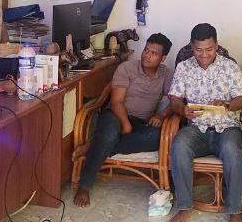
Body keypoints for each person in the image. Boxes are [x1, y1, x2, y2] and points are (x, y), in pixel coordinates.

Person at [74, 34, 174, 208]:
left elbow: (174, 100)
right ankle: (84, 186)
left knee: (157, 137)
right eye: (146, 50)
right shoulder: (127, 68)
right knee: (109, 133)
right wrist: (126, 126)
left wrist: (161, 115)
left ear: (163, 58)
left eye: (153, 53)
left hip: (142, 122)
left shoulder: (166, 74)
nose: (147, 55)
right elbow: (116, 102)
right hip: (115, 115)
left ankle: (94, 144)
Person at [167, 23, 242, 222]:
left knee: (232, 151)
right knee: (179, 146)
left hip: (227, 127)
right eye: (199, 50)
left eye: (209, 49)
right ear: (191, 46)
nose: (204, 55)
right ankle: (184, 206)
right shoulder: (184, 67)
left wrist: (228, 105)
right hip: (197, 128)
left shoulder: (229, 66)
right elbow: (174, 99)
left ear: (217, 45)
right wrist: (183, 110)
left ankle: (235, 210)